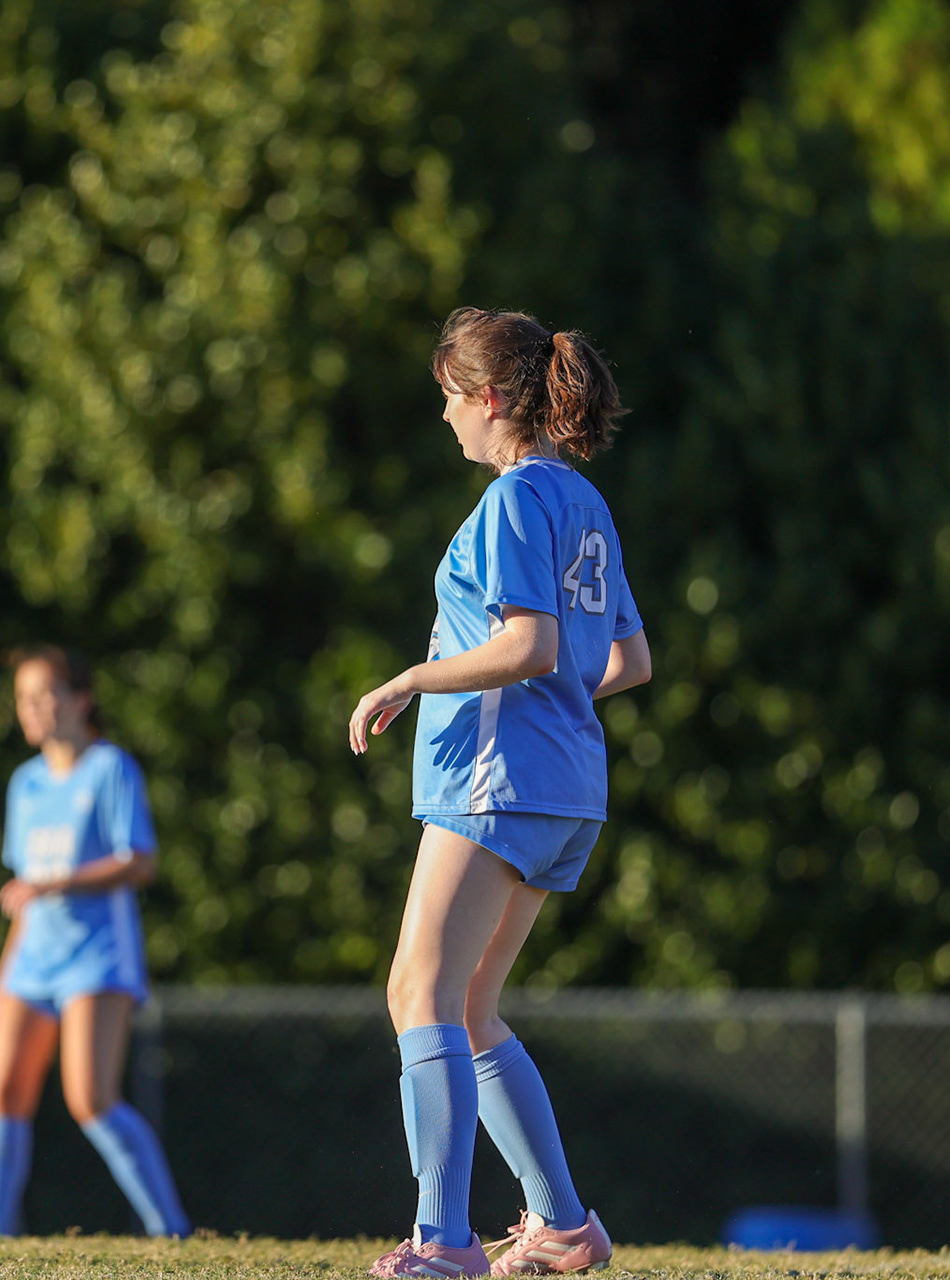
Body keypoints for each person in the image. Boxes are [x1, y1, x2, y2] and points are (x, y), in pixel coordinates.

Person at [348, 308, 652, 1277]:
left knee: (418, 990)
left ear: (487, 398)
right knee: (472, 1005)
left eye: (448, 395)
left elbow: (529, 646)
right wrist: (555, 706)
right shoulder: (584, 500)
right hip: (564, 782)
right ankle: (562, 1225)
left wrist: (409, 677)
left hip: (497, 777)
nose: (444, 417)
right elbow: (628, 658)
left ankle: (443, 1241)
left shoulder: (515, 499)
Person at [0, 646, 190, 1240]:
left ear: (81, 699)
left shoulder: (110, 768)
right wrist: (3, 969)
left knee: (89, 1098)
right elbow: (24, 893)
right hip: (31, 961)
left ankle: (172, 1231)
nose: (33, 709)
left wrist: (55, 882)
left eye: (46, 694)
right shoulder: (25, 783)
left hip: (97, 960)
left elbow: (138, 862)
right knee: (1, 1093)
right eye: (24, 698)